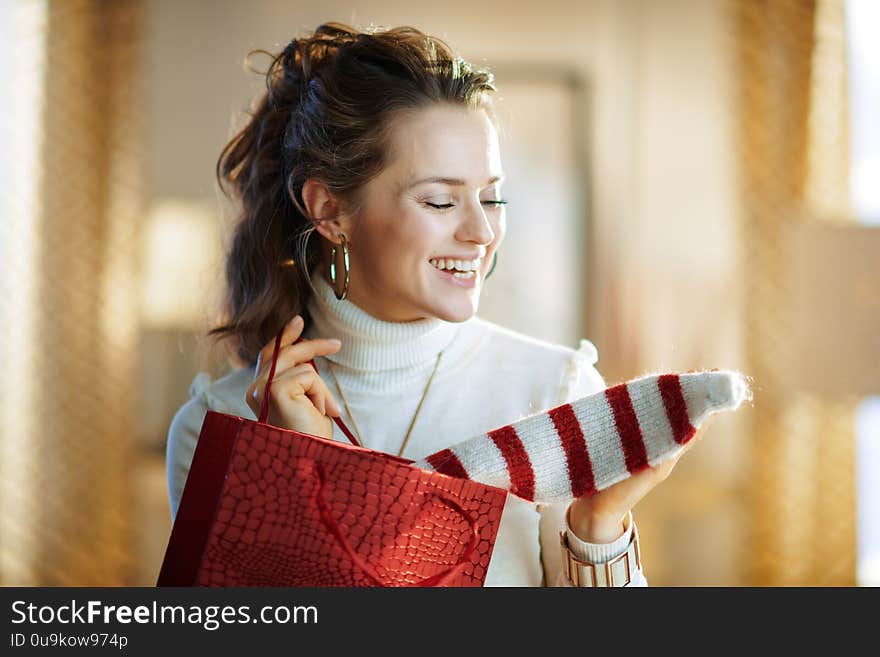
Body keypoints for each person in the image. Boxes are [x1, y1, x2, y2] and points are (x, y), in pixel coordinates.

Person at [166, 22, 707, 587]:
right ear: (329, 209)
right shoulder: (217, 430)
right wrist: (294, 473)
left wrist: (599, 526)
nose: (481, 231)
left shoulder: (557, 394)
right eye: (441, 200)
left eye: (492, 196)